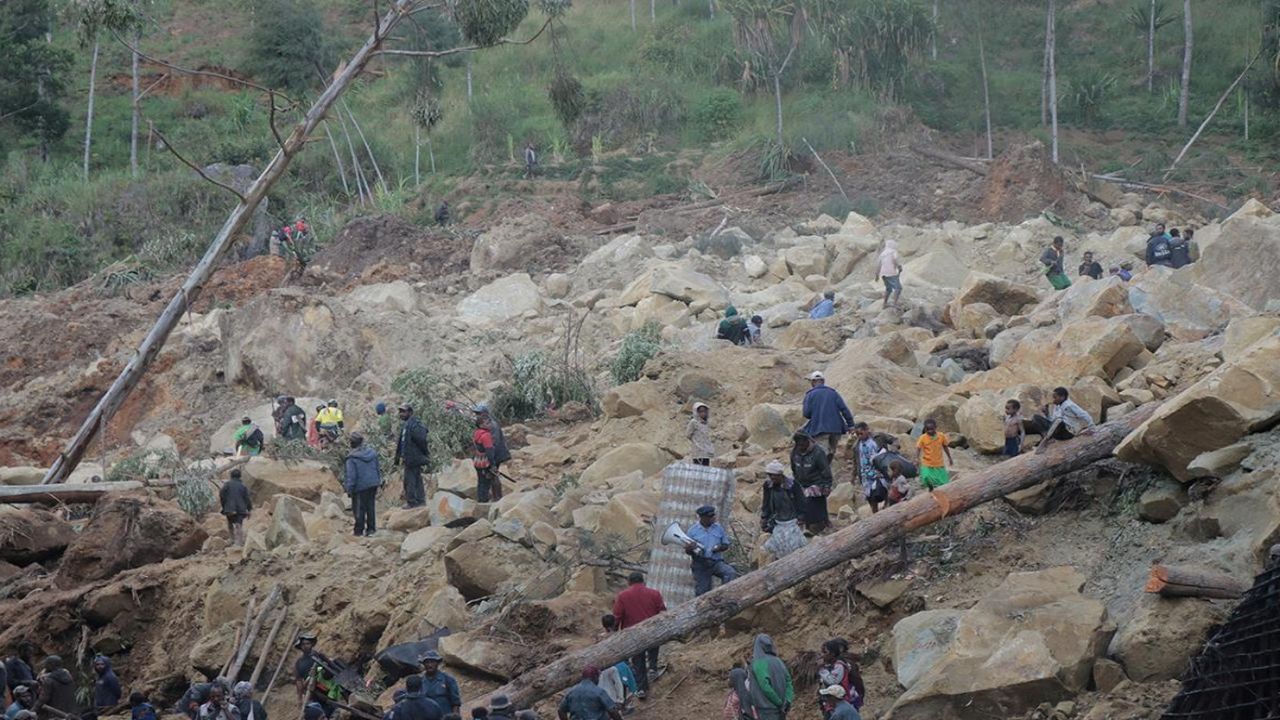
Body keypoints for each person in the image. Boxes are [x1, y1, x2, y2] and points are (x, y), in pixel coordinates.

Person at [612, 572, 667, 699]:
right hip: (653, 630)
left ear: (629, 582)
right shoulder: (655, 593)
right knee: (654, 645)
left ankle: (642, 688)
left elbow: (617, 616)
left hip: (633, 633)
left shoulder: (623, 596)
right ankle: (653, 667)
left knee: (638, 661)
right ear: (643, 581)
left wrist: (614, 632)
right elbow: (663, 612)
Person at [685, 506, 737, 596]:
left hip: (716, 562)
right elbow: (688, 551)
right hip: (700, 564)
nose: (713, 518)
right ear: (702, 517)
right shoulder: (692, 531)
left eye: (713, 515)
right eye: (710, 517)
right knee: (702, 592)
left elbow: (725, 545)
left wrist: (719, 548)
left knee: (730, 573)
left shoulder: (719, 528)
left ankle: (725, 597)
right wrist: (690, 548)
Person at [801, 371, 854, 458]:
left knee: (822, 454)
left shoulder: (810, 395)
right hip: (836, 429)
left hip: (819, 429)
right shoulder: (833, 393)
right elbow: (844, 409)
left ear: (813, 382)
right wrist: (851, 425)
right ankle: (828, 468)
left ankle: (823, 470)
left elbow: (806, 413)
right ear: (823, 381)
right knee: (831, 452)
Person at [760, 460, 806, 559]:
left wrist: (801, 517)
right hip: (778, 521)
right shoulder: (768, 486)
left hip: (792, 520)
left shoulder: (792, 485)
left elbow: (801, 501)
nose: (772, 477)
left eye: (775, 475)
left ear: (781, 475)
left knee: (793, 545)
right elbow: (766, 502)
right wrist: (764, 517)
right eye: (770, 475)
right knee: (776, 546)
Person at [791, 433, 833, 534]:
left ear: (807, 441)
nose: (801, 447)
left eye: (802, 445)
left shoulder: (818, 453)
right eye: (798, 445)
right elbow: (793, 468)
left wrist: (827, 485)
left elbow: (825, 470)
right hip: (801, 482)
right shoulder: (795, 452)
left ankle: (820, 523)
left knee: (812, 500)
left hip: (816, 482)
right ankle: (805, 524)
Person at [1027, 387, 1095, 450]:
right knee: (1036, 418)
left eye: (1055, 397)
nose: (1053, 400)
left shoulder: (1070, 405)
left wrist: (1092, 427)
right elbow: (1053, 421)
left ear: (1062, 397)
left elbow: (1084, 414)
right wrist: (1046, 414)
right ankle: (1047, 437)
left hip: (1068, 431)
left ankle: (1045, 441)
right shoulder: (1057, 407)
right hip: (1057, 430)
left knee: (1059, 420)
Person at [344, 433, 382, 537]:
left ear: (351, 444)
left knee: (359, 509)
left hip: (360, 486)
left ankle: (358, 531)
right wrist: (378, 481)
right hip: (373, 483)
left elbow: (352, 476)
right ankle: (371, 529)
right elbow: (377, 468)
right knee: (371, 506)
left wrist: (349, 489)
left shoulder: (351, 458)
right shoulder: (372, 453)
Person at [747, 635, 793, 720]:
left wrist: (778, 702)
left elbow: (765, 686)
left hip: (767, 709)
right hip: (782, 709)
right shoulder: (779, 661)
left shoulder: (758, 663)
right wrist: (787, 700)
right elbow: (789, 681)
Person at [394, 404, 431, 509]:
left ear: (410, 412)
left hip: (414, 458)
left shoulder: (415, 425)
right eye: (400, 411)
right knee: (416, 478)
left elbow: (422, 440)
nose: (401, 414)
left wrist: (424, 453)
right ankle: (420, 500)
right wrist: (398, 458)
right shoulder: (407, 425)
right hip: (409, 458)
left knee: (410, 480)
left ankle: (412, 502)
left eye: (403, 412)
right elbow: (402, 443)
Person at [294, 632, 339, 712]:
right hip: (312, 691)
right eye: (303, 644)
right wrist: (299, 698)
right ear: (300, 647)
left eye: (307, 643)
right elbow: (298, 680)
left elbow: (329, 668)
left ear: (311, 644)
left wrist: (317, 671)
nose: (305, 646)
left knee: (333, 709)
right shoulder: (299, 663)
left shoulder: (318, 656)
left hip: (325, 688)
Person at [556, 667, 621, 720]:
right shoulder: (599, 692)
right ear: (595, 677)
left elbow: (561, 711)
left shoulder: (571, 692)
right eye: (598, 677)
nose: (598, 680)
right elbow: (613, 711)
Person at [816, 640, 863, 712]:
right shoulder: (830, 665)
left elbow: (832, 681)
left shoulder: (839, 666)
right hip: (833, 701)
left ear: (833, 653)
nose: (823, 655)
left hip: (843, 700)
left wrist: (821, 670)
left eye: (825, 652)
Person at [850, 423, 887, 514]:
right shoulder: (856, 446)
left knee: (883, 490)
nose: (859, 436)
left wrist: (893, 452)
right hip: (865, 474)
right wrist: (853, 476)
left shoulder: (877, 438)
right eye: (857, 434)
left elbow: (893, 440)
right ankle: (875, 515)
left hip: (879, 471)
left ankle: (887, 509)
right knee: (870, 496)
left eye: (861, 433)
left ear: (867, 430)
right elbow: (855, 462)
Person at [475, 404, 511, 484]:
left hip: (495, 455)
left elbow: (494, 443)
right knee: (490, 476)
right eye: (476, 414)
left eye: (479, 413)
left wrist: (492, 461)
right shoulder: (483, 425)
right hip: (490, 455)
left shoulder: (492, 426)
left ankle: (497, 495)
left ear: (485, 413)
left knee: (492, 476)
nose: (477, 415)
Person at [419, 651, 461, 717]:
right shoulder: (419, 681)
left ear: (437, 663)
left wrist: (455, 717)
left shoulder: (448, 679)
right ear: (424, 664)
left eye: (432, 662)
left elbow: (455, 703)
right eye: (427, 662)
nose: (430, 665)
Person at [915, 418, 953, 490]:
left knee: (943, 482)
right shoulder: (923, 438)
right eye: (927, 429)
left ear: (935, 427)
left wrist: (949, 457)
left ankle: (939, 490)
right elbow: (918, 448)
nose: (930, 431)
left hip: (938, 463)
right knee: (926, 477)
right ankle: (931, 487)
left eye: (932, 429)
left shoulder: (941, 436)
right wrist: (916, 458)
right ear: (925, 429)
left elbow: (945, 446)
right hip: (927, 463)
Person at [472, 416, 502, 503]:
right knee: (486, 481)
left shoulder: (477, 433)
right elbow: (489, 451)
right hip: (485, 462)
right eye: (487, 423)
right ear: (481, 425)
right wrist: (493, 465)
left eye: (489, 422)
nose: (489, 425)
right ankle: (484, 500)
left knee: (481, 481)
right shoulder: (486, 436)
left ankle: (480, 498)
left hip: (477, 460)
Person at [220, 468, 252, 547]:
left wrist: (224, 505)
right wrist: (249, 509)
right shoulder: (243, 486)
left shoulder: (227, 485)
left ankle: (232, 539)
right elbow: (247, 498)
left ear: (231, 476)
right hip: (241, 509)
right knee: (239, 525)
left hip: (229, 508)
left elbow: (222, 495)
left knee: (230, 523)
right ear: (240, 476)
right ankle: (239, 542)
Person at [876, 240, 903, 307]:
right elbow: (895, 259)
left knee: (889, 288)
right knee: (898, 288)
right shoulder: (893, 251)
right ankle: (895, 303)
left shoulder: (882, 254)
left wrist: (877, 275)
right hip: (891, 272)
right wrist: (899, 266)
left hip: (883, 274)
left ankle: (885, 303)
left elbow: (879, 265)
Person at [687, 402, 714, 466]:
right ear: (696, 412)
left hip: (706, 451)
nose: (703, 413)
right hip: (697, 451)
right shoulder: (693, 422)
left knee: (706, 469)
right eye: (701, 411)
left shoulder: (706, 423)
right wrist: (696, 441)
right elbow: (688, 434)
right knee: (698, 470)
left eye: (704, 411)